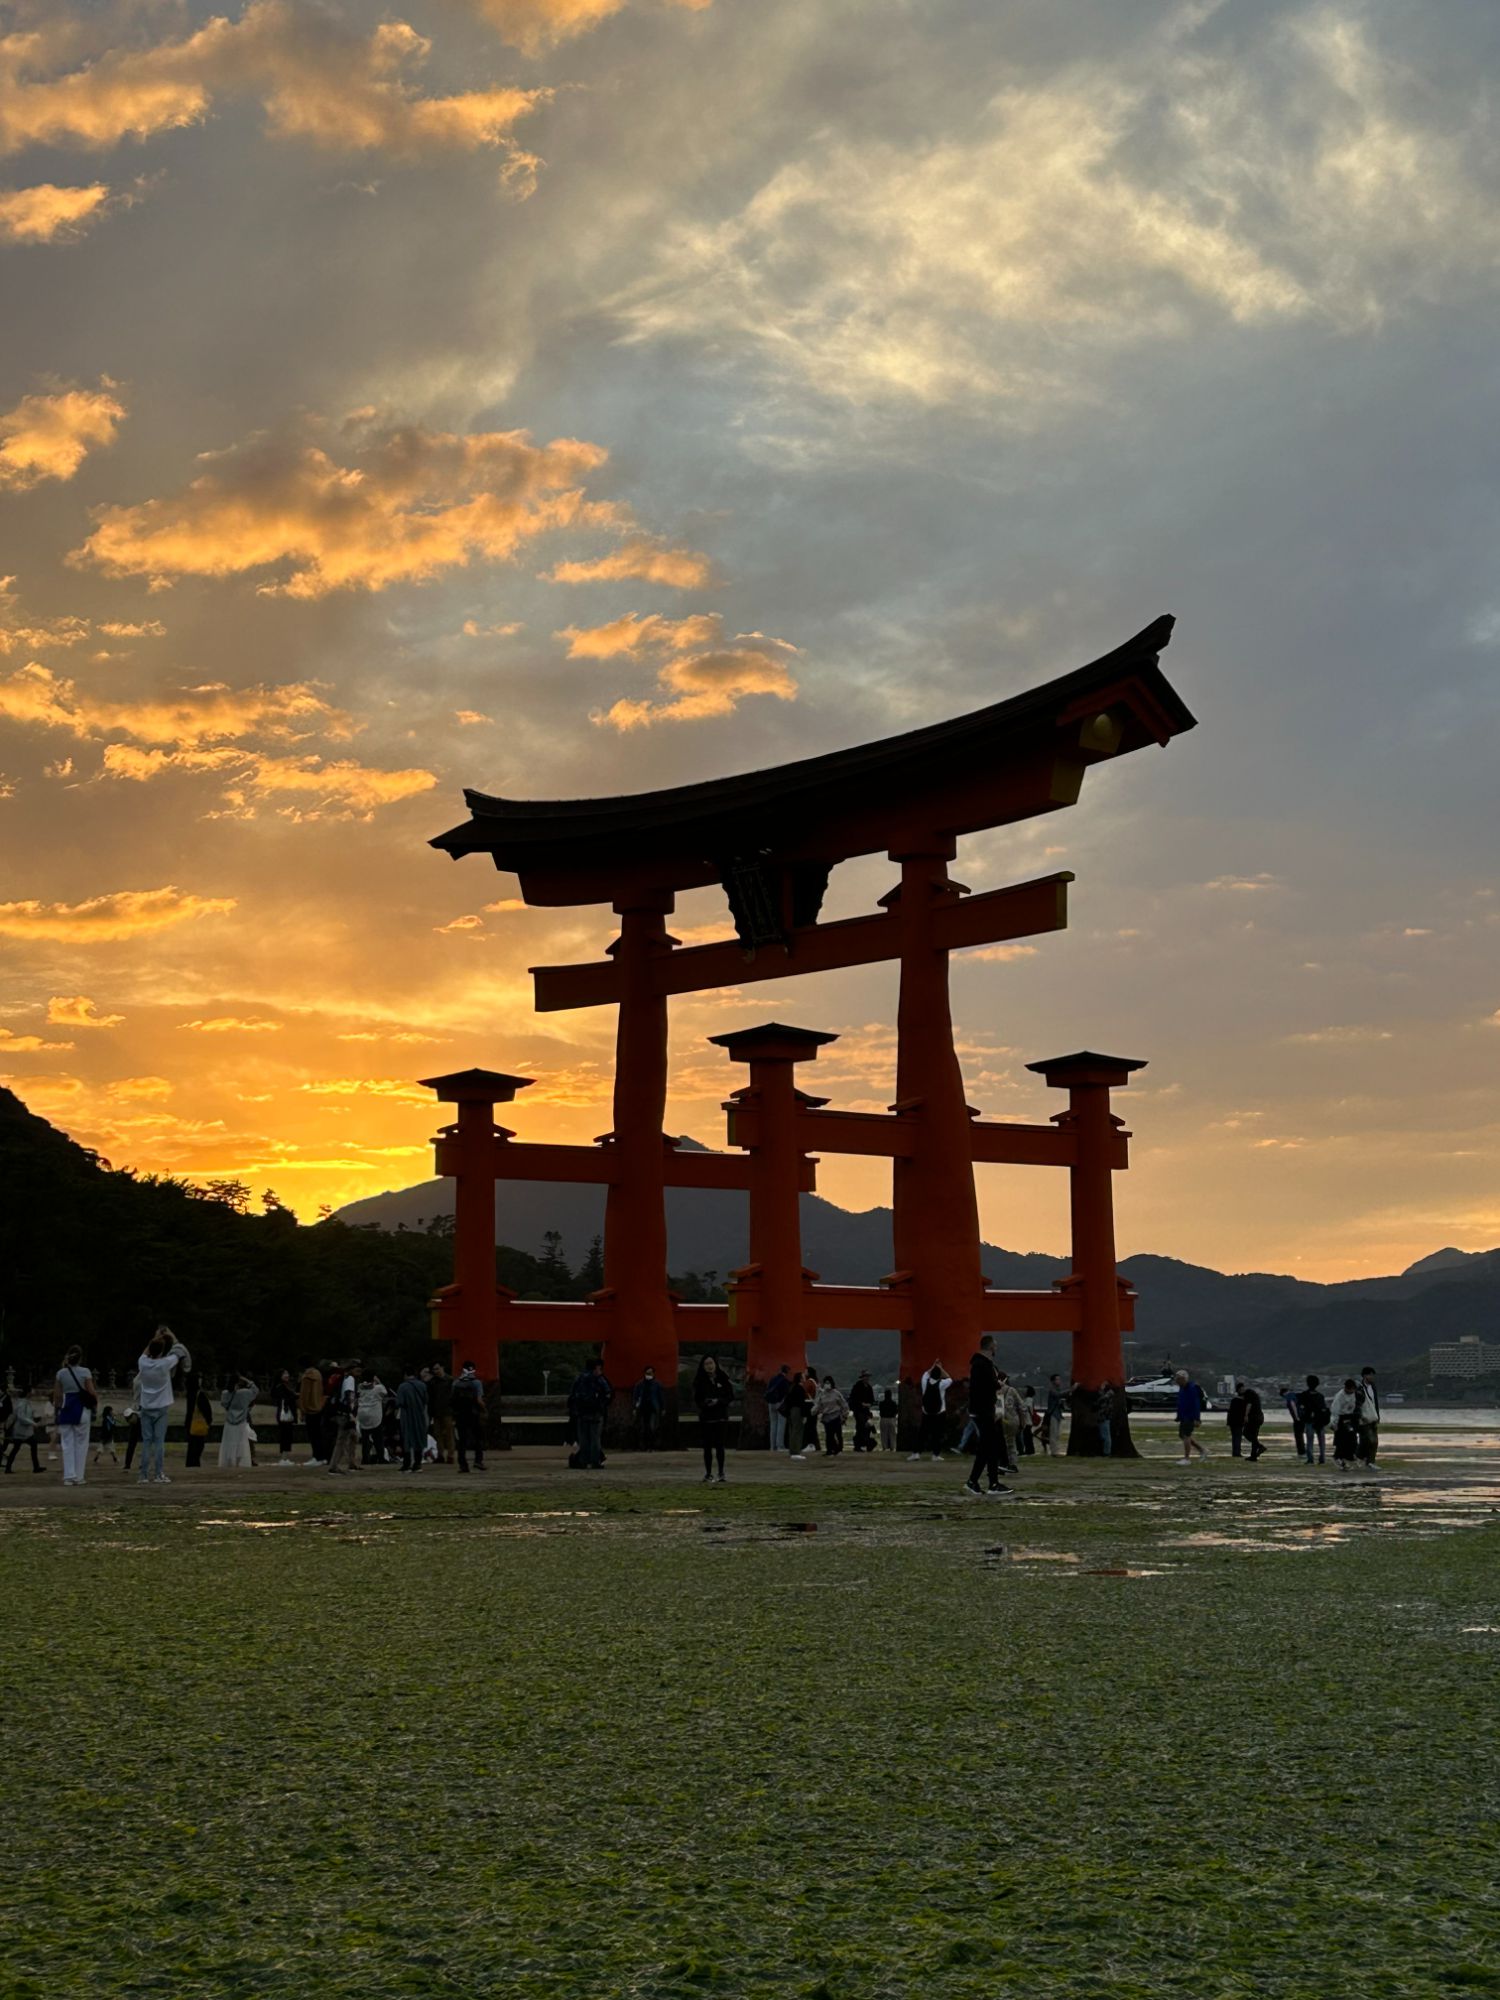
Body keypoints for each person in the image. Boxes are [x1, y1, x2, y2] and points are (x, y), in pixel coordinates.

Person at [962, 1336, 1010, 1497]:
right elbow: (989, 1385)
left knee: (987, 1446)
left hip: (982, 1409)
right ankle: (988, 1483)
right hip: (983, 1410)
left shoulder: (978, 1364)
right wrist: (1000, 1385)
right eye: (995, 1346)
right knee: (989, 1446)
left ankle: (984, 1482)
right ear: (991, 1347)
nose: (996, 1349)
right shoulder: (983, 1364)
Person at [52, 1346, 96, 1487]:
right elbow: (91, 1392)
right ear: (80, 1358)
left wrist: (57, 1410)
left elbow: (57, 1396)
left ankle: (68, 1476)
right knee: (81, 1444)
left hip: (66, 1409)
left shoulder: (60, 1374)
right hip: (82, 1409)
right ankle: (79, 1476)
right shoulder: (85, 1372)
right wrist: (95, 1407)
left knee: (67, 1444)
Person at [694, 1355, 733, 1483]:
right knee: (707, 1447)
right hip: (706, 1417)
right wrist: (706, 1403)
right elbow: (697, 1399)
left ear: (715, 1364)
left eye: (711, 1363)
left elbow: (730, 1396)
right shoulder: (699, 1381)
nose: (709, 1366)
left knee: (720, 1446)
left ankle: (721, 1472)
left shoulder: (723, 1378)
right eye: (706, 1364)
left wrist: (719, 1401)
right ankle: (708, 1473)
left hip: (721, 1416)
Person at [568, 1358, 610, 1470]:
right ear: (596, 1368)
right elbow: (608, 1394)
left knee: (583, 1439)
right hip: (596, 1413)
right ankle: (595, 1461)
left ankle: (583, 1461)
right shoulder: (599, 1379)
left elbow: (572, 1396)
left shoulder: (579, 1379)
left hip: (581, 1413)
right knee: (595, 1439)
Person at [910, 1361, 951, 1462]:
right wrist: (941, 1368)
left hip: (926, 1412)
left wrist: (934, 1365)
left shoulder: (925, 1382)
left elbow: (926, 1373)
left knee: (922, 1434)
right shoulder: (942, 1384)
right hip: (939, 1413)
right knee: (937, 1434)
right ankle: (935, 1455)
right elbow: (950, 1379)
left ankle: (916, 1454)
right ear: (940, 1376)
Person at [326, 1360, 361, 1476]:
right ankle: (334, 1466)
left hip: (340, 1412)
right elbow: (349, 1396)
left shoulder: (345, 1378)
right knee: (342, 1440)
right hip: (345, 1413)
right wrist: (350, 1413)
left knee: (351, 1437)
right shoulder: (350, 1380)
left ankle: (350, 1462)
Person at [452, 1361, 488, 1473]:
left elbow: (452, 1400)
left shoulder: (456, 1383)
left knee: (462, 1441)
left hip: (460, 1415)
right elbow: (479, 1400)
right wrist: (484, 1410)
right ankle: (478, 1460)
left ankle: (463, 1465)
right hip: (473, 1414)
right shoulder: (476, 1383)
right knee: (478, 1438)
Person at [219, 1375, 258, 1470]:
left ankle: (228, 1461)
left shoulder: (225, 1394)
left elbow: (224, 1404)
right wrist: (247, 1380)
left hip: (229, 1422)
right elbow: (255, 1390)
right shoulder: (244, 1393)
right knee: (241, 1444)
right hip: (241, 1422)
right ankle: (240, 1461)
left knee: (229, 1444)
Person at [395, 1365, 428, 1473]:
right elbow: (426, 1400)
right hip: (420, 1415)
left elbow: (399, 1402)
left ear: (405, 1374)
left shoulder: (402, 1386)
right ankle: (417, 1464)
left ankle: (407, 1464)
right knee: (419, 1438)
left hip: (407, 1415)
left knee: (407, 1439)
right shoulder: (422, 1385)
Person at [3, 1387, 43, 1474]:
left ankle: (8, 1468)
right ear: (28, 1393)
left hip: (23, 1430)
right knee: (22, 1447)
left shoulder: (23, 1403)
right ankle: (35, 1467)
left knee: (17, 1448)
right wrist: (33, 1423)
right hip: (21, 1430)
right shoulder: (22, 1403)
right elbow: (21, 1417)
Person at [357, 1371, 390, 1464]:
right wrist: (378, 1381)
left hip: (362, 1413)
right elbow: (385, 1392)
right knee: (378, 1437)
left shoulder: (360, 1387)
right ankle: (381, 1457)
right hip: (374, 1414)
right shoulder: (378, 1388)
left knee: (365, 1438)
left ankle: (365, 1458)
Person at [1174, 1369, 1207, 1462]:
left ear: (1184, 1379)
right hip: (1184, 1416)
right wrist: (1178, 1416)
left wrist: (1197, 1418)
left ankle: (1187, 1458)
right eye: (1176, 1379)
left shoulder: (1192, 1388)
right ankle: (1202, 1450)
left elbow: (1195, 1405)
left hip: (1190, 1416)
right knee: (1182, 1435)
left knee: (1186, 1435)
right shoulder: (1182, 1389)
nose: (1177, 1381)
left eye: (1179, 1379)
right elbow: (1181, 1403)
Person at [298, 1360, 326, 1466]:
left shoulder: (306, 1377)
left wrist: (302, 1410)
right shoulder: (318, 1374)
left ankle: (316, 1457)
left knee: (313, 1435)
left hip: (310, 1409)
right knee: (319, 1434)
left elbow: (304, 1395)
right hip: (319, 1407)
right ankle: (322, 1456)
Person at [1296, 1375, 1328, 1466]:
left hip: (1309, 1420)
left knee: (1310, 1440)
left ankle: (1310, 1459)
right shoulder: (1320, 1396)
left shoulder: (1303, 1395)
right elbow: (1323, 1408)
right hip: (1320, 1421)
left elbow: (1301, 1408)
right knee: (1321, 1441)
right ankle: (1322, 1458)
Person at [1329, 1379, 1361, 1469]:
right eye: (1350, 1389)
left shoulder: (1355, 1394)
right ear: (1346, 1388)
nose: (1351, 1391)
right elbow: (1335, 1411)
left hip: (1350, 1418)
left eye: (1353, 1390)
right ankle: (1338, 1458)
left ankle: (1349, 1456)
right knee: (1341, 1441)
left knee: (1352, 1438)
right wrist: (1334, 1423)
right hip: (1341, 1418)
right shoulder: (1340, 1396)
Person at [427, 1363, 455, 1465]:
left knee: (449, 1434)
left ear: (442, 1368)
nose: (436, 1371)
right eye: (434, 1369)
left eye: (437, 1369)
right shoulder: (432, 1382)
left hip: (447, 1411)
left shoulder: (450, 1380)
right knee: (438, 1434)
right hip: (436, 1411)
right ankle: (440, 1455)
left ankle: (451, 1455)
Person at [998, 1372, 1027, 1472]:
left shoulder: (994, 1390)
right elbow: (1022, 1407)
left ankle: (1001, 1464)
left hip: (999, 1419)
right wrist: (1023, 1421)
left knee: (998, 1444)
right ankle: (1012, 1464)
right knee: (1011, 1443)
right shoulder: (1012, 1390)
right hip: (1012, 1420)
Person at [183, 1381, 214, 1469]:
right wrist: (209, 1422)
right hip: (199, 1425)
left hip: (191, 1426)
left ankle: (191, 1464)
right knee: (198, 1446)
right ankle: (195, 1464)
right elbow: (207, 1411)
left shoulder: (190, 1395)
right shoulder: (200, 1396)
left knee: (192, 1447)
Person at [816, 1375, 850, 1455]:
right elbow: (818, 1405)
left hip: (836, 1416)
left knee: (838, 1433)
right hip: (826, 1416)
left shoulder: (836, 1393)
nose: (827, 1384)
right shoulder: (822, 1394)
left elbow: (844, 1404)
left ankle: (839, 1449)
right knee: (828, 1435)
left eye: (828, 1382)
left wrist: (845, 1415)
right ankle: (829, 1450)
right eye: (826, 1383)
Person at [633, 1367, 665, 1449]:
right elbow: (636, 1396)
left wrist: (662, 1408)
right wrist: (634, 1407)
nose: (649, 1375)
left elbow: (661, 1397)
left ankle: (651, 1445)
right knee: (643, 1427)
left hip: (653, 1408)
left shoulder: (657, 1384)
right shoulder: (639, 1384)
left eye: (650, 1373)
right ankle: (643, 1445)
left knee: (652, 1427)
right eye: (647, 1373)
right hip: (642, 1408)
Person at [1357, 1366, 1381, 1468]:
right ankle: (1359, 1457)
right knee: (1366, 1440)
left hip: (1373, 1417)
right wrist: (1360, 1416)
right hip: (1363, 1418)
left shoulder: (1373, 1386)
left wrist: (1378, 1416)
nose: (1372, 1377)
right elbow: (1358, 1404)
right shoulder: (1359, 1388)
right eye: (1370, 1375)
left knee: (1374, 1440)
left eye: (1372, 1375)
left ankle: (1370, 1461)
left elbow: (1375, 1402)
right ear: (1365, 1375)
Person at [272, 1372, 298, 1464]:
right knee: (286, 1436)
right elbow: (288, 1398)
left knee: (286, 1435)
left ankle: (285, 1457)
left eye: (287, 1373)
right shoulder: (281, 1387)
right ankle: (284, 1458)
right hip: (285, 1414)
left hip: (285, 1414)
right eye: (284, 1374)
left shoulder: (284, 1386)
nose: (287, 1375)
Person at [765, 1364, 791, 1454]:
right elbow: (786, 1394)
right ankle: (780, 1445)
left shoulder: (773, 1379)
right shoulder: (785, 1381)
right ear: (787, 1371)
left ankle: (772, 1446)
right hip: (780, 1403)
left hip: (770, 1403)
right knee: (781, 1424)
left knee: (773, 1424)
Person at [785, 1371, 810, 1459]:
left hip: (792, 1410)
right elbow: (801, 1403)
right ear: (800, 1378)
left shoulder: (792, 1387)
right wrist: (805, 1414)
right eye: (803, 1376)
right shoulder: (799, 1388)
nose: (805, 1377)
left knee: (793, 1430)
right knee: (798, 1430)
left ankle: (793, 1450)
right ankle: (796, 1452)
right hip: (798, 1410)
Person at [849, 1371, 876, 1452]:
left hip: (866, 1411)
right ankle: (858, 1445)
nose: (867, 1378)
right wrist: (861, 1404)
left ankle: (866, 1444)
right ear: (862, 1377)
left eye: (868, 1376)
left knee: (867, 1428)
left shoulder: (869, 1387)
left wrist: (869, 1404)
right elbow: (853, 1399)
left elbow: (872, 1400)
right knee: (860, 1427)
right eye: (865, 1376)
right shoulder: (857, 1387)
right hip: (858, 1410)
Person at [1043, 1374, 1067, 1455]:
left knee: (1057, 1434)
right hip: (1053, 1414)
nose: (1059, 1381)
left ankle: (1056, 1450)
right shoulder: (1052, 1390)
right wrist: (1071, 1390)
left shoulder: (1057, 1389)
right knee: (1053, 1433)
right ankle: (1054, 1451)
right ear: (1053, 1381)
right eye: (1057, 1379)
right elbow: (1058, 1395)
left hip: (1058, 1414)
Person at [1243, 1386, 1266, 1460]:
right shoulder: (1254, 1395)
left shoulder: (1248, 1394)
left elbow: (1249, 1404)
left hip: (1254, 1418)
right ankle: (1253, 1456)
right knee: (1254, 1436)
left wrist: (1246, 1415)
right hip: (1259, 1417)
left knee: (1246, 1433)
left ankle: (1260, 1447)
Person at [1281, 1384, 1303, 1460]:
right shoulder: (1295, 1394)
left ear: (1284, 1393)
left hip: (1298, 1418)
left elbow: (1292, 1404)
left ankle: (1301, 1452)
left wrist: (1296, 1416)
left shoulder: (1289, 1396)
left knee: (1298, 1435)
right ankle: (1303, 1451)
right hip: (1303, 1416)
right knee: (1300, 1434)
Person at [1227, 1382, 1248, 1458]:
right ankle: (1236, 1452)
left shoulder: (1235, 1400)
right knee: (1237, 1436)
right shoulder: (1238, 1400)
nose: (1243, 1390)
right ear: (1239, 1390)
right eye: (1242, 1389)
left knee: (1236, 1437)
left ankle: (1235, 1452)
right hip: (1237, 1421)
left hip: (1234, 1421)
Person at [878, 1383, 899, 1453]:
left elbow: (880, 1411)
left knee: (884, 1434)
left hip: (883, 1419)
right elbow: (896, 1411)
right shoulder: (893, 1403)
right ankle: (892, 1448)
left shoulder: (881, 1403)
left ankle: (884, 1447)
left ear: (884, 1395)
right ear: (891, 1395)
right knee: (892, 1434)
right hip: (891, 1419)